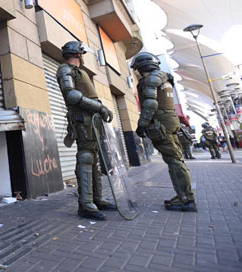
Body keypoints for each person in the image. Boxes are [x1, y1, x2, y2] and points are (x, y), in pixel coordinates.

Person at [56, 41, 116, 221]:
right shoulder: (65, 70)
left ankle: (96, 199)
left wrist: (99, 108)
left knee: (93, 160)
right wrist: (99, 107)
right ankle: (86, 204)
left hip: (91, 121)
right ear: (78, 54)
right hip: (82, 121)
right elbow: (72, 95)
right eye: (82, 53)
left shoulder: (77, 71)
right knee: (86, 157)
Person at [130, 52, 196, 212]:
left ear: (141, 66)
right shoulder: (164, 78)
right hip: (170, 122)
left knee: (174, 161)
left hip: (161, 125)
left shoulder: (150, 80)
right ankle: (182, 195)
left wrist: (142, 124)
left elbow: (151, 104)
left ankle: (186, 199)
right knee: (176, 159)